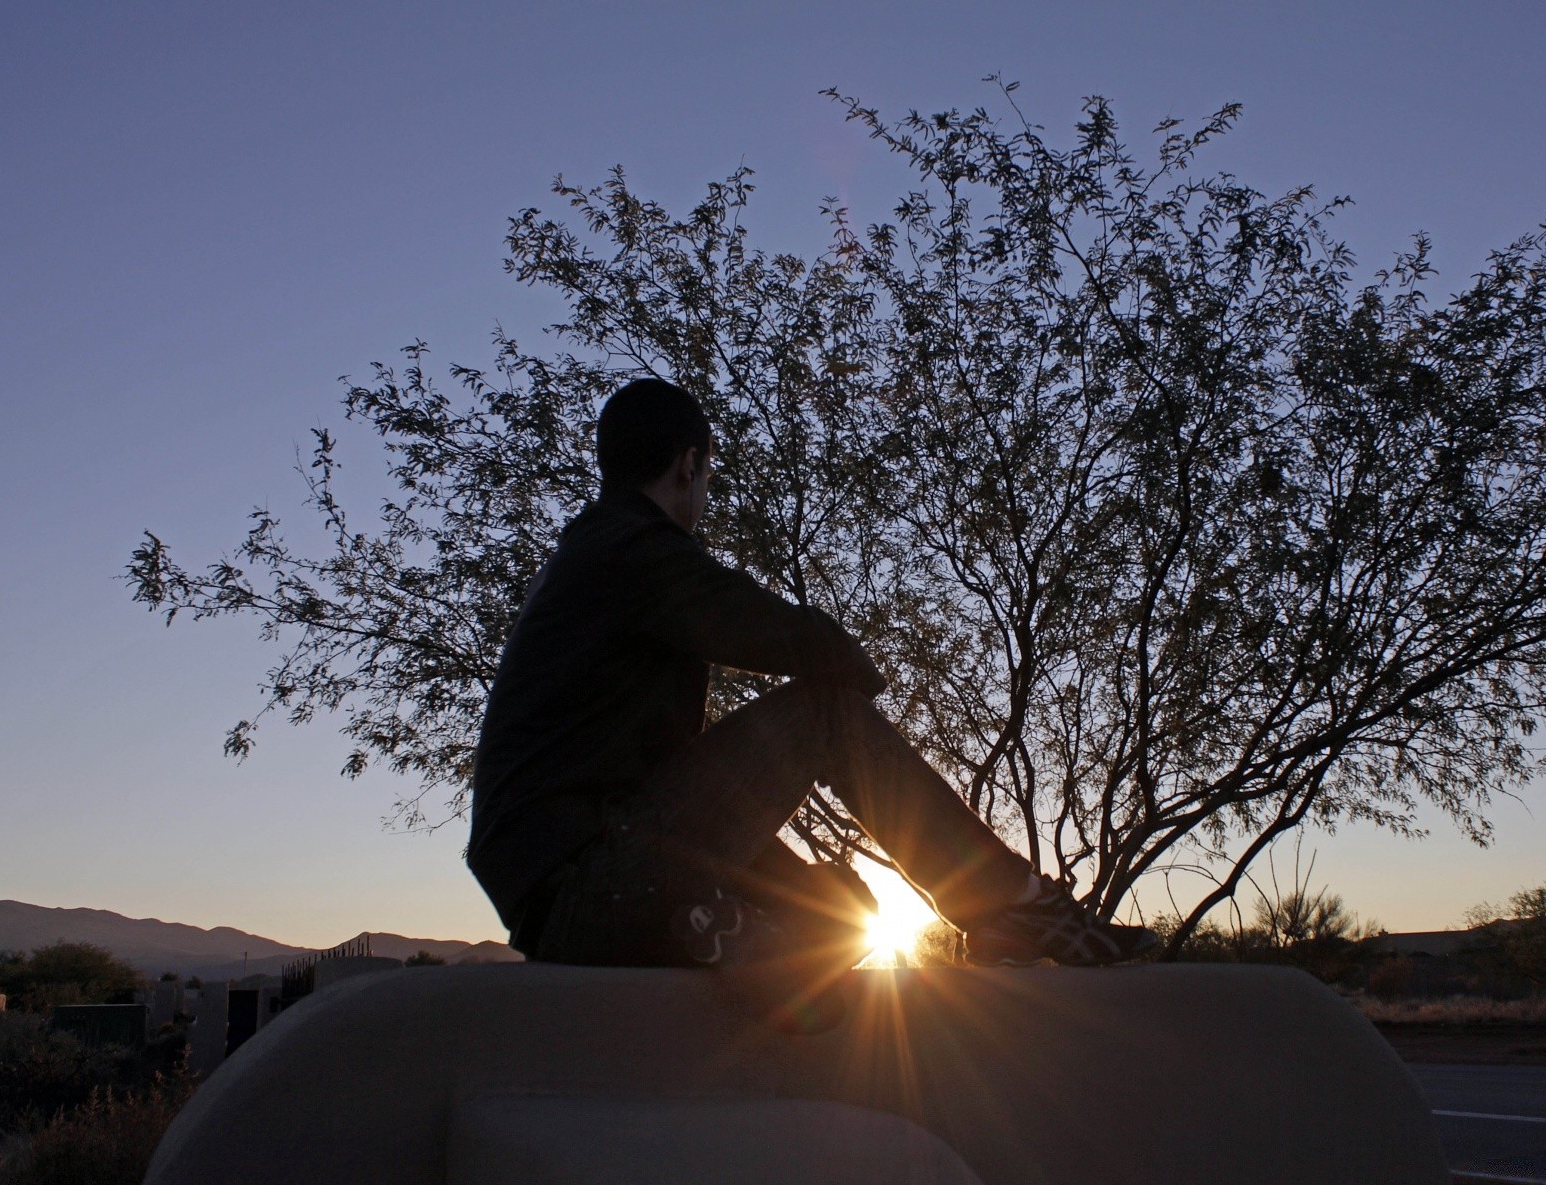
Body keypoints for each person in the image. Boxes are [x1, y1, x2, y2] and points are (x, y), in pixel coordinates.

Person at [466, 378, 1156, 985]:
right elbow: (791, 637)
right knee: (826, 713)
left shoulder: (589, 557)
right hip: (597, 883)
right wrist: (859, 699)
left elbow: (666, 793)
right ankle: (1018, 904)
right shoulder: (629, 549)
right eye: (707, 477)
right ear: (690, 464)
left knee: (846, 910)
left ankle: (723, 932)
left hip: (593, 900)